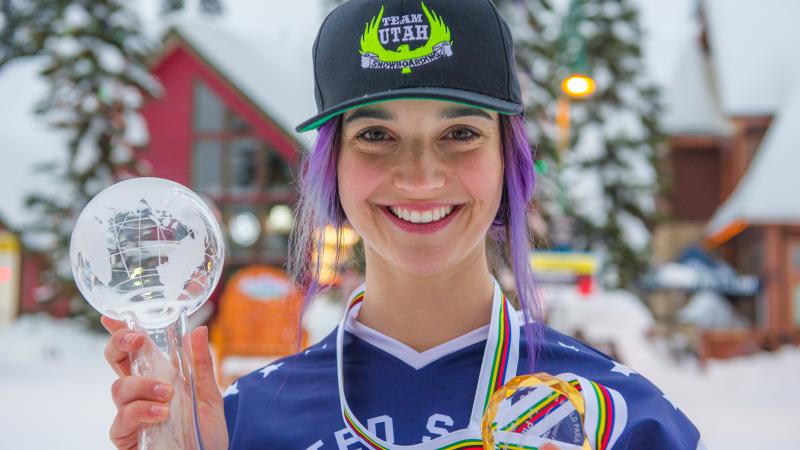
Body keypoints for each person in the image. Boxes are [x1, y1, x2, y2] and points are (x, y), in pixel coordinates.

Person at [101, 0, 705, 449]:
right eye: (376, 137)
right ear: (331, 169)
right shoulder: (239, 425)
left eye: (460, 134)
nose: (419, 177)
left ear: (508, 164)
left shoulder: (621, 420)